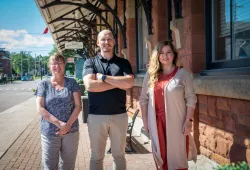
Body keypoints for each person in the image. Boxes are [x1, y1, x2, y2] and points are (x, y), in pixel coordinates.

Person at [139, 40, 197, 170]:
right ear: (157, 56)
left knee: (177, 160)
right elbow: (143, 99)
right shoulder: (150, 75)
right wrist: (145, 121)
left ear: (174, 55)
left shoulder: (183, 74)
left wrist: (188, 120)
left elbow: (191, 98)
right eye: (162, 53)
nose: (165, 56)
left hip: (177, 123)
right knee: (161, 159)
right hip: (156, 123)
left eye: (168, 52)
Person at [83, 29, 134, 170]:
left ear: (114, 42)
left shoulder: (123, 62)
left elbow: (129, 83)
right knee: (96, 157)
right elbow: (90, 86)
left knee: (119, 156)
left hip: (119, 116)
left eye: (109, 39)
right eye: (103, 39)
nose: (106, 42)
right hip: (96, 117)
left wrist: (104, 78)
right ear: (98, 42)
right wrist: (118, 83)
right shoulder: (90, 62)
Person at [35, 53, 82, 170]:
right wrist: (59, 124)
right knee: (49, 165)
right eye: (54, 63)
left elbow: (78, 106)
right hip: (50, 132)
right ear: (49, 67)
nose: (57, 66)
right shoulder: (43, 84)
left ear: (64, 65)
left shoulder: (72, 83)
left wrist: (67, 126)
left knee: (68, 165)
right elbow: (40, 107)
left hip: (71, 131)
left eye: (60, 63)